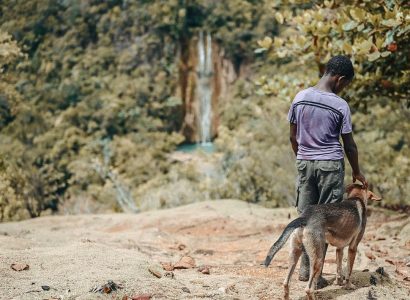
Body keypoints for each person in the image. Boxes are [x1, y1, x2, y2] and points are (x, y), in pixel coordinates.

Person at [287, 55, 368, 288]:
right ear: (339, 79)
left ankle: (304, 269)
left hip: (305, 162)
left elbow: (293, 137)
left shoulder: (300, 97)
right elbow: (349, 144)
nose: (344, 88)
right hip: (330, 166)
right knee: (324, 219)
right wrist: (357, 172)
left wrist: (302, 158)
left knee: (307, 215)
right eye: (345, 84)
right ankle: (316, 275)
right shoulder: (340, 105)